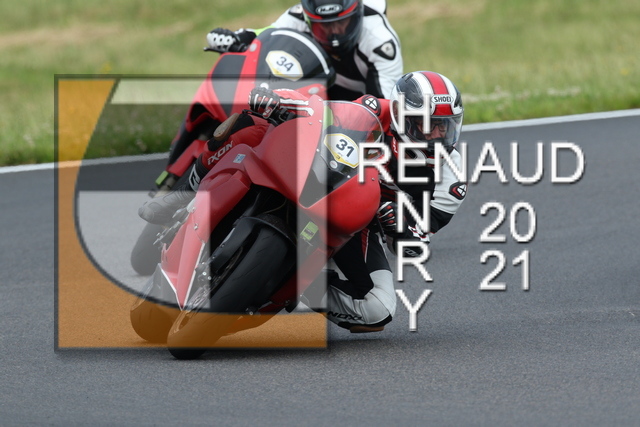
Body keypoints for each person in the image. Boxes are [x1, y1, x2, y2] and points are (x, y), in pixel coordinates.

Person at [139, 71, 467, 332]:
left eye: (445, 127)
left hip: (362, 223)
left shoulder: (452, 179)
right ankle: (182, 193)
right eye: (427, 126)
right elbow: (320, 111)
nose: (437, 137)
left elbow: (416, 243)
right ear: (401, 116)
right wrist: (280, 99)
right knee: (250, 123)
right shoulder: (375, 110)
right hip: (324, 174)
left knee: (378, 309)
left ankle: (304, 286)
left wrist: (400, 225)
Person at [205, 0, 403, 100]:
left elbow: (384, 108)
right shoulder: (299, 16)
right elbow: (267, 35)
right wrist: (237, 38)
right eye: (324, 26)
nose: (334, 32)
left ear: (356, 13)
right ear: (309, 19)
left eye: (341, 23)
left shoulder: (381, 43)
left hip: (357, 104)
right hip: (306, 97)